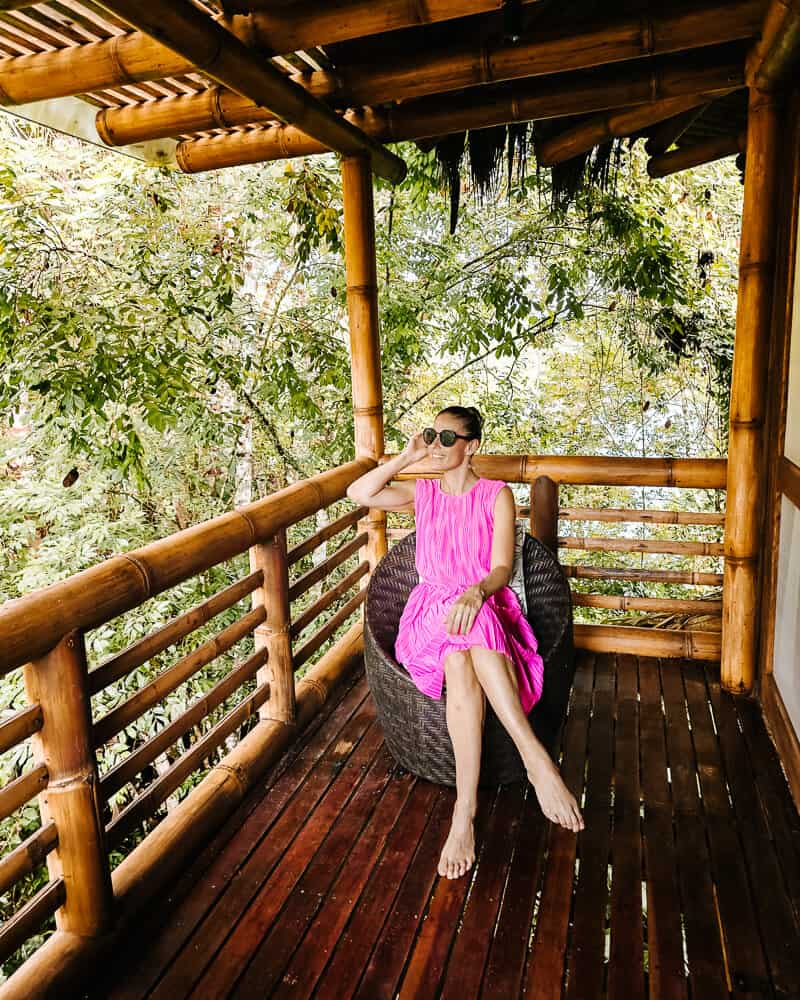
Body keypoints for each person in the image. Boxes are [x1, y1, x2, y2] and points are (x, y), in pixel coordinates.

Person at [347, 405, 584, 880]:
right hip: (429, 614)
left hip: (482, 605)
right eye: (433, 435)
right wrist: (406, 455)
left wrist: (476, 593)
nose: (437, 445)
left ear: (472, 446)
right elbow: (358, 492)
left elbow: (500, 569)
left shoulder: (496, 496)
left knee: (462, 659)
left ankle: (464, 814)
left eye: (448, 439)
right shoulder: (423, 494)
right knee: (462, 636)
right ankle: (535, 758)